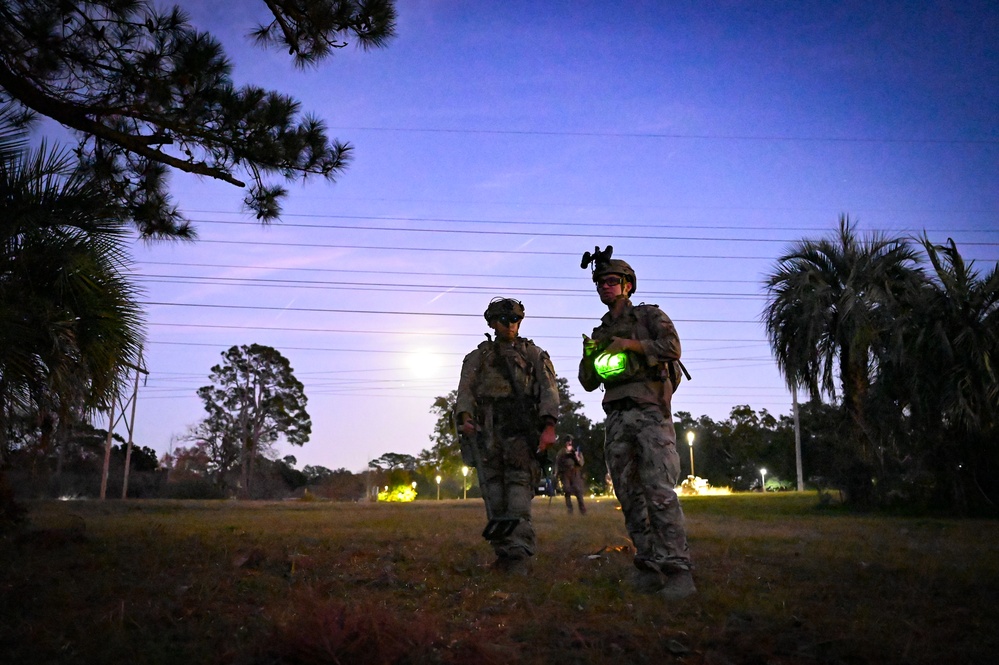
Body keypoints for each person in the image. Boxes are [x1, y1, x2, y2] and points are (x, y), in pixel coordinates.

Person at [577, 246, 696, 599]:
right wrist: (590, 356)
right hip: (616, 418)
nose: (605, 287)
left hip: (649, 414)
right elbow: (586, 381)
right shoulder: (599, 332)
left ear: (628, 285)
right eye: (600, 283)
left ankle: (678, 571)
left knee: (659, 491)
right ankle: (647, 565)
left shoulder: (649, 316)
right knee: (629, 495)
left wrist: (629, 344)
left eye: (612, 281)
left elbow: (672, 347)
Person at [455, 297, 559, 574]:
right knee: (494, 495)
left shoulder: (534, 354)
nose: (510, 325)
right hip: (488, 432)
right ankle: (503, 553)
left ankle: (519, 555)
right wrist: (466, 419)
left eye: (514, 320)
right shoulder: (478, 357)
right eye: (504, 320)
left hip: (521, 434)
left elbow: (549, 392)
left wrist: (548, 427)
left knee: (517, 495)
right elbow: (465, 392)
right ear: (492, 323)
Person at [555, 436, 587, 515]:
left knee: (578, 490)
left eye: (570, 441)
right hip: (565, 473)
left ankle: (582, 510)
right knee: (567, 490)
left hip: (575, 472)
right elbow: (557, 463)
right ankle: (570, 509)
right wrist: (556, 473)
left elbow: (581, 463)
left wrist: (576, 456)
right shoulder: (561, 452)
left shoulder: (576, 451)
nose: (569, 443)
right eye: (567, 441)